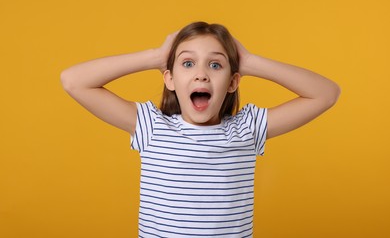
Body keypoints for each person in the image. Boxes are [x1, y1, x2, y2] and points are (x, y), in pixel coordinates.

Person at [61, 21, 340, 237]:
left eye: (216, 64)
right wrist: (156, 57)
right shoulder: (152, 126)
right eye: (188, 63)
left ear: (232, 82)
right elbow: (73, 80)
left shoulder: (246, 130)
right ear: (169, 79)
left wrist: (251, 62)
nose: (201, 73)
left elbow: (326, 94)